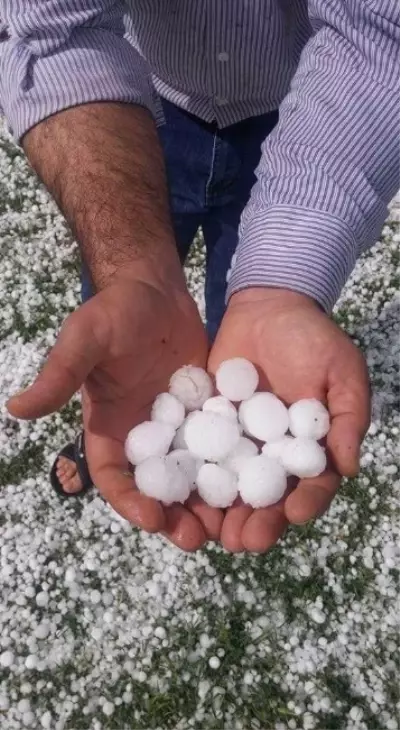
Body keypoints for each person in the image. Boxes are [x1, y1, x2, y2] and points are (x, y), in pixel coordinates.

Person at [1, 1, 399, 554]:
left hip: (301, 112)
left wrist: (280, 282)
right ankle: (118, 409)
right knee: (127, 312)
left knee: (238, 302)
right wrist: (130, 266)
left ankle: (210, 385)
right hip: (142, 111)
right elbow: (53, 30)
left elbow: (382, 34)